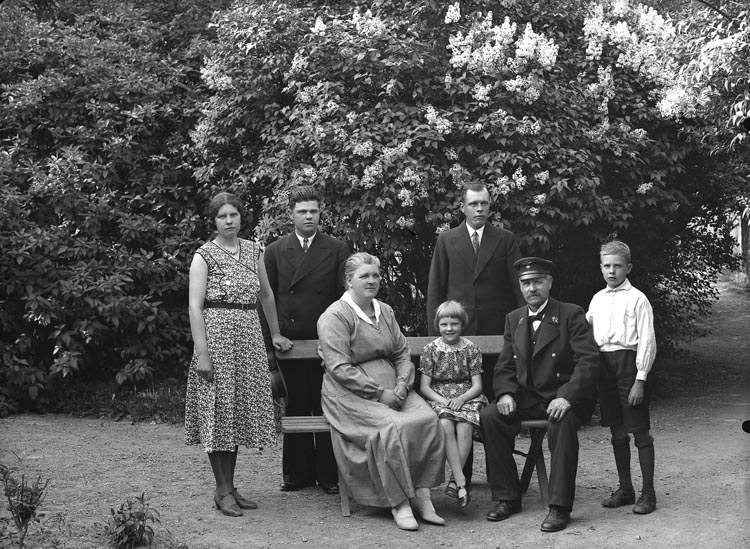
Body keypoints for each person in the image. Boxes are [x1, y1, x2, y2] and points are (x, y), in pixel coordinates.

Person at [317, 252, 446, 531]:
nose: (372, 280)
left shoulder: (385, 311)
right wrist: (379, 393)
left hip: (393, 384)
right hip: (349, 392)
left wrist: (402, 384)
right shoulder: (335, 315)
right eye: (364, 276)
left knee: (427, 419)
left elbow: (401, 353)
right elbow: (339, 367)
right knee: (392, 427)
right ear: (349, 281)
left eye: (375, 275)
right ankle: (399, 502)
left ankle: (422, 494)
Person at [185, 192, 293, 517]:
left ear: (241, 217)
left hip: (248, 337)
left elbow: (267, 295)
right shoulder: (204, 256)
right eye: (222, 216)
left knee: (235, 413)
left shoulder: (252, 250)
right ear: (214, 221)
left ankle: (230, 488)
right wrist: (202, 354)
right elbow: (194, 307)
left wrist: (275, 333)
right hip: (217, 338)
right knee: (219, 412)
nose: (229, 221)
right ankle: (222, 490)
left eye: (233, 215)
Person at [481, 257, 599, 532]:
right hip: (528, 396)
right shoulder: (514, 318)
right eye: (526, 283)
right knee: (490, 416)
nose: (531, 288)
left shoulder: (570, 313)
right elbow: (505, 365)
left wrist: (567, 396)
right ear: (520, 286)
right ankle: (507, 497)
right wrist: (505, 394)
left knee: (562, 421)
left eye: (537, 281)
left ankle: (559, 506)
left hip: (563, 396)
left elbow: (588, 361)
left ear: (549, 282)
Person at [426, 182, 524, 487]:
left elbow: (518, 289)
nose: (479, 209)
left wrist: (521, 333)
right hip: (457, 342)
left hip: (498, 337)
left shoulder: (505, 239)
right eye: (473, 204)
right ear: (463, 207)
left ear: (490, 206)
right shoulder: (447, 239)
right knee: (457, 412)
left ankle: (501, 478)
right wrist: (435, 339)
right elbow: (436, 289)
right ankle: (462, 480)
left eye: (484, 203)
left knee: (497, 407)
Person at [264, 185, 350, 494]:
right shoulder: (275, 251)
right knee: (296, 405)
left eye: (313, 211)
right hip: (289, 343)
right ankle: (296, 474)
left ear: (320, 213)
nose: (308, 216)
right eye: (302, 211)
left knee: (326, 405)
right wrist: (271, 341)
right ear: (291, 215)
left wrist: (337, 339)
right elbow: (267, 299)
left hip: (324, 342)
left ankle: (329, 475)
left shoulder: (337, 249)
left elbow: (344, 298)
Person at [586, 241, 657, 515]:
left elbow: (647, 340)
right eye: (607, 266)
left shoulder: (637, 299)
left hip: (629, 365)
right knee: (616, 429)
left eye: (617, 266)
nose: (612, 271)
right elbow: (586, 329)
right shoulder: (597, 299)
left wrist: (641, 378)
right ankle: (625, 488)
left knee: (639, 429)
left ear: (628, 267)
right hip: (604, 367)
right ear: (600, 268)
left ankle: (648, 493)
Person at [419, 300, 488, 510]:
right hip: (439, 397)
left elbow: (477, 385)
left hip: (466, 396)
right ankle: (460, 483)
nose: (449, 328)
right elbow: (424, 387)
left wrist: (461, 399)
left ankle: (455, 481)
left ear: (462, 324)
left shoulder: (471, 349)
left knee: (465, 425)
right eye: (444, 324)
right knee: (446, 424)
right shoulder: (431, 350)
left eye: (454, 324)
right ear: (438, 325)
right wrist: (444, 402)